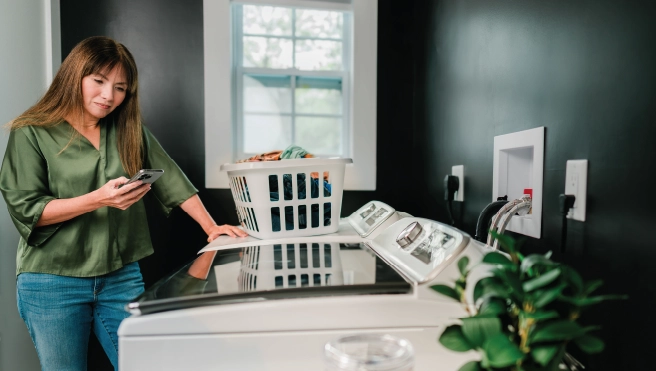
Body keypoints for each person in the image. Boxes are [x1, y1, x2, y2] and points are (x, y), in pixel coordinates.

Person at [0, 36, 247, 371]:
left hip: (120, 275)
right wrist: (98, 199)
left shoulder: (128, 129)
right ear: (74, 76)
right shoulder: (31, 132)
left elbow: (171, 178)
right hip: (52, 279)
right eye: (99, 82)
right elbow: (28, 210)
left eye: (120, 88)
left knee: (148, 365)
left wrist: (211, 227)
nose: (108, 96)